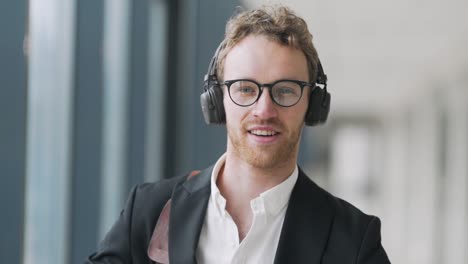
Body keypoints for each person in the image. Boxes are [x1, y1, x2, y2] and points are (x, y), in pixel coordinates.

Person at [87, 5, 390, 264]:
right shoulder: (149, 211)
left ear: (313, 105)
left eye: (285, 90)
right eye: (246, 89)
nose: (264, 109)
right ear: (217, 100)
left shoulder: (353, 241)